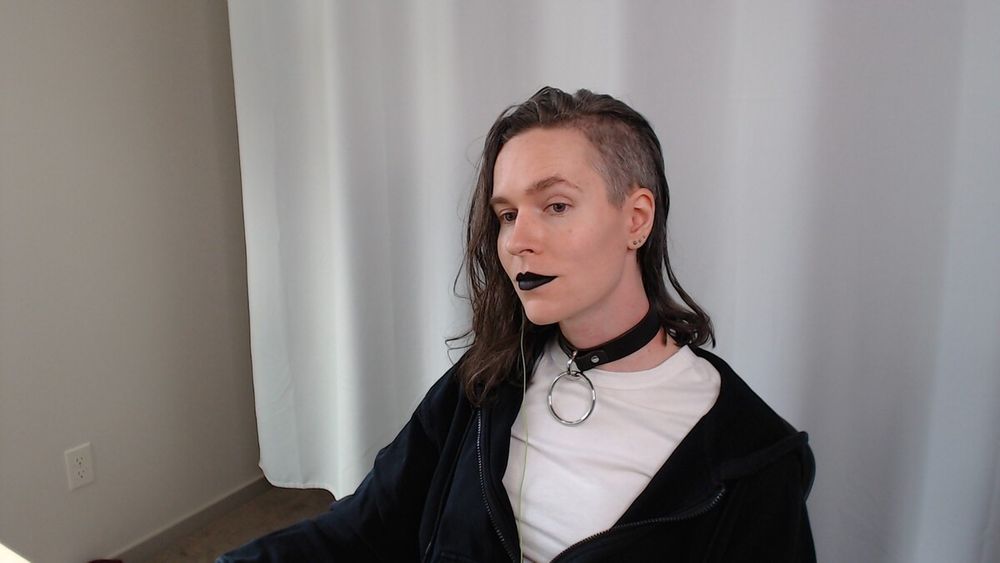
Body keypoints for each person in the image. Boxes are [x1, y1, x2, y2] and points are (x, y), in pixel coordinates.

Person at [218, 87, 816, 562]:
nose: (517, 241)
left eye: (555, 206)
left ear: (636, 218)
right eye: (506, 214)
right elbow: (365, 526)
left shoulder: (751, 458)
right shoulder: (486, 381)